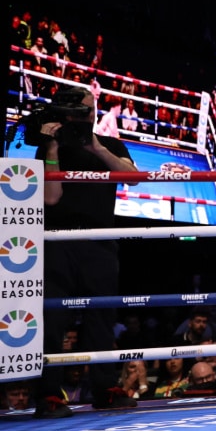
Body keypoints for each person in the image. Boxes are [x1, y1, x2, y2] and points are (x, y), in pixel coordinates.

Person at [35, 88, 140, 414]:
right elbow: (50, 198)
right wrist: (52, 147)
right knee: (53, 319)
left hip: (100, 242)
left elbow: (134, 178)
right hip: (58, 241)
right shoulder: (49, 148)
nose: (86, 116)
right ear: (65, 113)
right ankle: (50, 394)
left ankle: (104, 388)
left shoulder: (109, 145)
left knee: (102, 318)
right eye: (80, 111)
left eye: (90, 110)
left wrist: (95, 146)